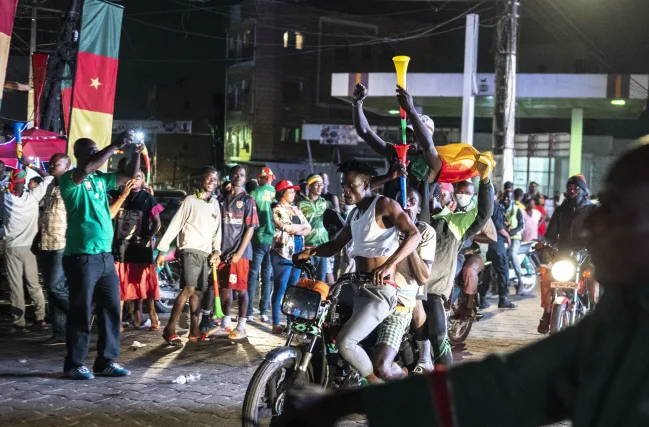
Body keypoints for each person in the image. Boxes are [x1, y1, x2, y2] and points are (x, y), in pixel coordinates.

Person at [278, 140, 649, 427]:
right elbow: (506, 382)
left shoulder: (449, 225)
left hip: (416, 294)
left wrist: (395, 263)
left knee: (437, 332)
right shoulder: (623, 318)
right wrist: (339, 405)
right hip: (372, 288)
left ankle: (431, 362)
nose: (593, 225)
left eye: (615, 210)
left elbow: (504, 388)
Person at [295, 159, 419, 384]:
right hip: (355, 287)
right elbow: (334, 246)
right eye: (344, 185)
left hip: (381, 291)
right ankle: (336, 373)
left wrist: (387, 264)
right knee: (321, 315)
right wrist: (310, 252)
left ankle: (377, 383)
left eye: (351, 185)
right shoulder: (354, 215)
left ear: (366, 184)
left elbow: (414, 235)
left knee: (345, 342)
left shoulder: (384, 205)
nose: (346, 190)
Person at [60, 131, 140, 380]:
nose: (96, 154)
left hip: (105, 257)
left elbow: (128, 175)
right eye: (90, 151)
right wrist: (115, 144)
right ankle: (74, 363)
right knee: (81, 311)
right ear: (79, 155)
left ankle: (105, 361)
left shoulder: (99, 179)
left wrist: (135, 153)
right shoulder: (70, 179)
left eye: (96, 149)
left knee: (111, 310)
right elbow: (86, 167)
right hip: (81, 257)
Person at [422, 172, 494, 367]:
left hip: (434, 292)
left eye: (442, 195)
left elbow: (483, 214)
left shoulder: (455, 221)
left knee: (438, 338)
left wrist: (486, 181)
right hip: (408, 294)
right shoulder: (415, 220)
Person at [352, 82, 440, 223]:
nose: (409, 137)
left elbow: (428, 145)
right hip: (389, 224)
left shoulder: (433, 162)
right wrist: (357, 104)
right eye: (407, 132)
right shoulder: (395, 154)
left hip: (418, 228)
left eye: (415, 133)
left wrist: (410, 110)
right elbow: (365, 132)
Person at [372, 187, 435, 380]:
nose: (407, 205)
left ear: (419, 208)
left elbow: (423, 277)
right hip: (376, 294)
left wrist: (409, 239)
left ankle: (424, 362)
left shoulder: (425, 232)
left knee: (382, 365)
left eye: (412, 201)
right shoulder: (384, 225)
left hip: (401, 301)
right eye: (401, 201)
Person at [155, 167, 221, 345]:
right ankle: (169, 329)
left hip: (205, 252)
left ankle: (194, 329)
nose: (211, 182)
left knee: (197, 292)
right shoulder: (190, 201)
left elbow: (217, 232)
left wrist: (217, 251)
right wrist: (162, 250)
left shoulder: (215, 204)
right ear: (201, 181)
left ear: (217, 183)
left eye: (214, 179)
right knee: (189, 289)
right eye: (208, 178)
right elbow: (175, 225)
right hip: (189, 249)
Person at [537, 174, 599, 334]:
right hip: (563, 255)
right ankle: (547, 312)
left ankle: (595, 309)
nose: (571, 191)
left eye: (575, 188)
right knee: (547, 276)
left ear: (583, 191)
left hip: (585, 254)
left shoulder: (593, 210)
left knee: (593, 276)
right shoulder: (560, 211)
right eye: (569, 188)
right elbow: (551, 235)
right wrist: (544, 243)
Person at [205, 165, 259, 340]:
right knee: (224, 288)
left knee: (241, 289)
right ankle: (225, 324)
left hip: (240, 254)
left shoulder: (248, 201)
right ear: (230, 176)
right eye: (235, 174)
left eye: (242, 175)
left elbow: (250, 229)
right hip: (222, 252)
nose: (238, 177)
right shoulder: (221, 199)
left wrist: (238, 253)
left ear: (245, 178)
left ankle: (242, 326)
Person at [0, 168, 52, 333]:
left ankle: (19, 322)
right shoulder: (33, 197)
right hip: (30, 247)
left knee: (16, 286)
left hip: (12, 248)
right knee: (34, 284)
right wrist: (31, 166)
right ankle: (40, 318)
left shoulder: (6, 198)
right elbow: (49, 178)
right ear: (24, 181)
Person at [110, 171, 163, 331]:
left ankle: (153, 316)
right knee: (120, 284)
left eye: (138, 177)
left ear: (143, 181)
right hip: (121, 248)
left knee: (145, 283)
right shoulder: (118, 195)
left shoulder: (148, 199)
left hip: (140, 248)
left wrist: (148, 237)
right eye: (131, 178)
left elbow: (157, 224)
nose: (134, 181)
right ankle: (118, 322)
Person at [35, 154, 72, 345]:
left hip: (61, 243)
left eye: (55, 164)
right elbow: (45, 215)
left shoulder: (71, 186)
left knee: (55, 286)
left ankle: (79, 315)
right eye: (50, 163)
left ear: (67, 167)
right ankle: (60, 333)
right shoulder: (50, 185)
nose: (51, 166)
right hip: (46, 242)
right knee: (51, 289)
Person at [270, 180, 311, 334]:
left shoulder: (296, 209)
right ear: (282, 193)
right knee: (280, 287)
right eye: (291, 191)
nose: (294, 194)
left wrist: (297, 229)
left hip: (298, 253)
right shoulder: (277, 210)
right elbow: (286, 227)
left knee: (292, 289)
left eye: (294, 191)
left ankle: (290, 323)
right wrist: (300, 229)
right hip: (282, 253)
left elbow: (308, 228)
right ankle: (275, 322)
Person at [247, 167, 275, 323]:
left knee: (252, 275)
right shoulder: (277, 193)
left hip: (257, 238)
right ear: (270, 178)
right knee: (266, 277)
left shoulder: (254, 194)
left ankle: (249, 312)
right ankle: (263, 311)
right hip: (271, 240)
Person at [297, 174, 330, 281]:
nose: (321, 186)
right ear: (309, 186)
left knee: (320, 283)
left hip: (323, 248)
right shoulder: (300, 205)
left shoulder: (325, 204)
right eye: (317, 184)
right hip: (307, 249)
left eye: (322, 184)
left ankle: (320, 298)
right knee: (305, 281)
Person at [501, 189, 525, 290]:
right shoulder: (500, 209)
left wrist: (512, 232)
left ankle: (520, 280)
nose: (507, 199)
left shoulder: (517, 209)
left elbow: (522, 226)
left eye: (509, 197)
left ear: (512, 199)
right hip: (503, 238)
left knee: (511, 253)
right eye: (505, 197)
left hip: (515, 238)